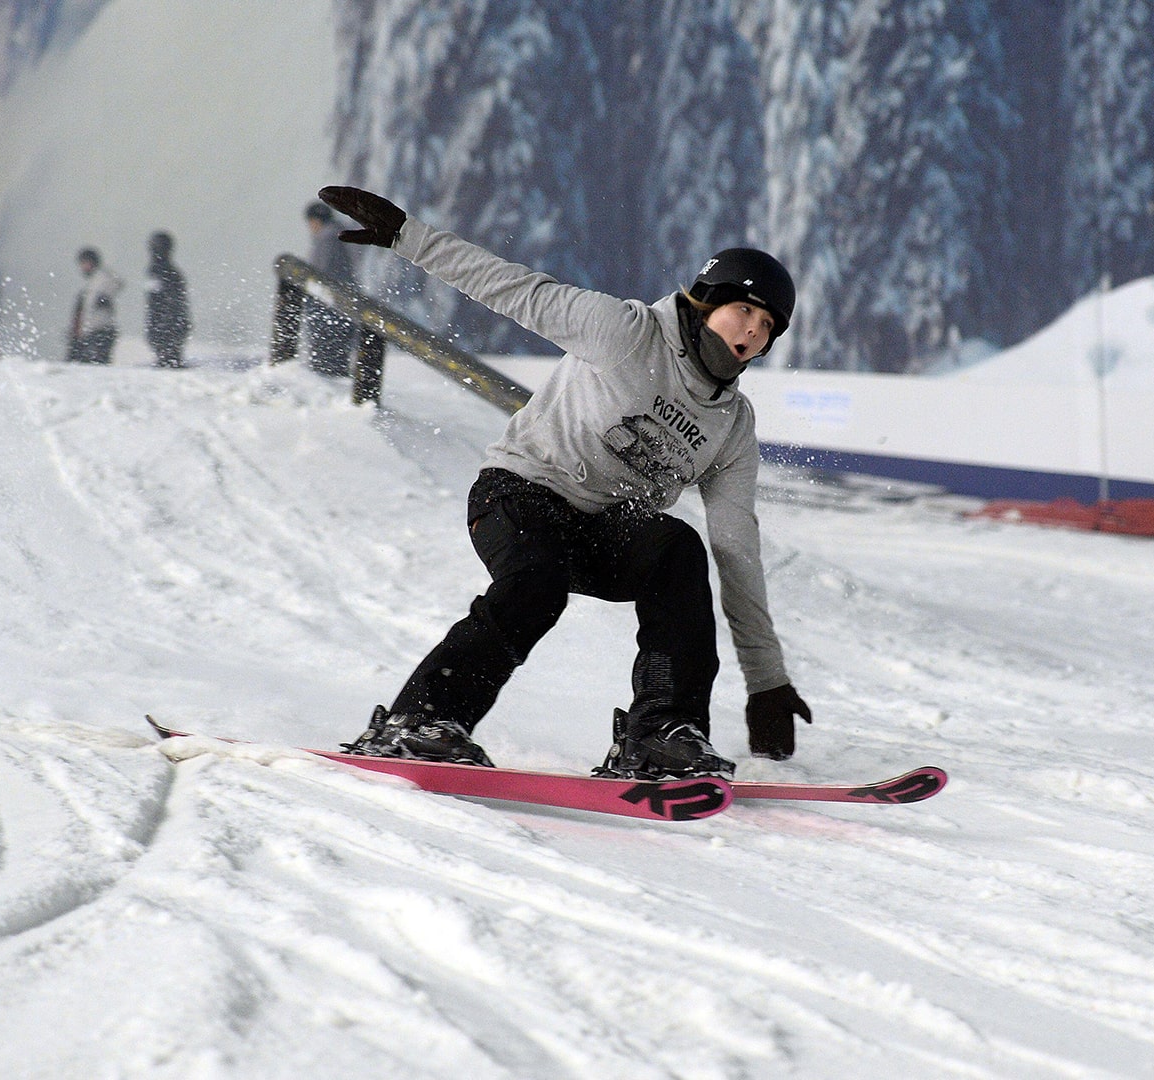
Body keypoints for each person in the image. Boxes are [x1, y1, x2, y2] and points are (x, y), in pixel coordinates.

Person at [321, 184, 814, 780]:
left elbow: (738, 550)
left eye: (767, 326)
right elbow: (516, 290)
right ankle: (418, 721)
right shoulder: (626, 332)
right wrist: (407, 235)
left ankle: (660, 736)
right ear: (706, 301)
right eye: (744, 311)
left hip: (605, 530)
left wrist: (767, 680)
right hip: (520, 492)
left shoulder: (731, 427)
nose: (753, 333)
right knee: (537, 579)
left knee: (680, 551)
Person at [304, 200, 357, 376]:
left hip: (330, 306)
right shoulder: (337, 234)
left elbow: (320, 271)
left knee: (327, 360)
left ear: (315, 220)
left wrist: (308, 285)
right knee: (336, 357)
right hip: (340, 307)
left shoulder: (327, 237)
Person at [67, 247, 122, 364]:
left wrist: (104, 297)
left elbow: (116, 283)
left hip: (100, 330)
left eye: (84, 263)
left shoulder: (101, 278)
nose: (82, 267)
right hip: (93, 331)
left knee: (94, 366)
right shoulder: (92, 283)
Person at [145, 231, 191, 369]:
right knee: (171, 361)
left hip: (166, 325)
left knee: (168, 363)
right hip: (171, 325)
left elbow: (157, 301)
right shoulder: (172, 272)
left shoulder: (158, 271)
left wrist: (158, 324)